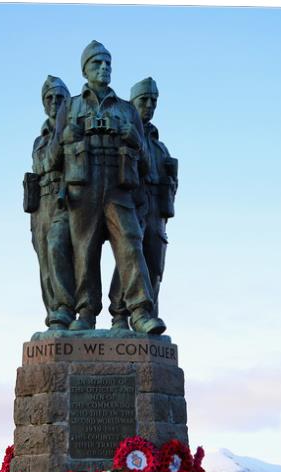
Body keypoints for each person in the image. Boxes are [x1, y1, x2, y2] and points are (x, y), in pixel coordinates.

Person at [52, 41, 166, 335]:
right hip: (83, 183)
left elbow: (144, 163)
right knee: (84, 250)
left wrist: (135, 139)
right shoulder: (71, 105)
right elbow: (53, 158)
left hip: (118, 185)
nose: (103, 68)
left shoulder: (127, 111)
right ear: (85, 70)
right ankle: (86, 312)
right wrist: (65, 136)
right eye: (96, 64)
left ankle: (139, 311)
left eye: (107, 64)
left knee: (130, 242)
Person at [109, 77, 178, 328]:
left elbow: (171, 184)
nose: (149, 105)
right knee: (129, 259)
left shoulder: (161, 148)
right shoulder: (123, 133)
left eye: (153, 101)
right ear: (133, 103)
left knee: (154, 266)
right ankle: (119, 314)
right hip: (132, 203)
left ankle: (148, 316)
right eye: (144, 100)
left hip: (156, 212)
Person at [29, 75, 75, 330]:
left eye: (60, 98)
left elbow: (55, 163)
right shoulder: (39, 139)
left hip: (65, 200)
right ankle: (54, 315)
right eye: (50, 98)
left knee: (58, 248)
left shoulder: (70, 131)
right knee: (45, 262)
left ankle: (65, 308)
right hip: (40, 206)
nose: (54, 102)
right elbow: (39, 167)